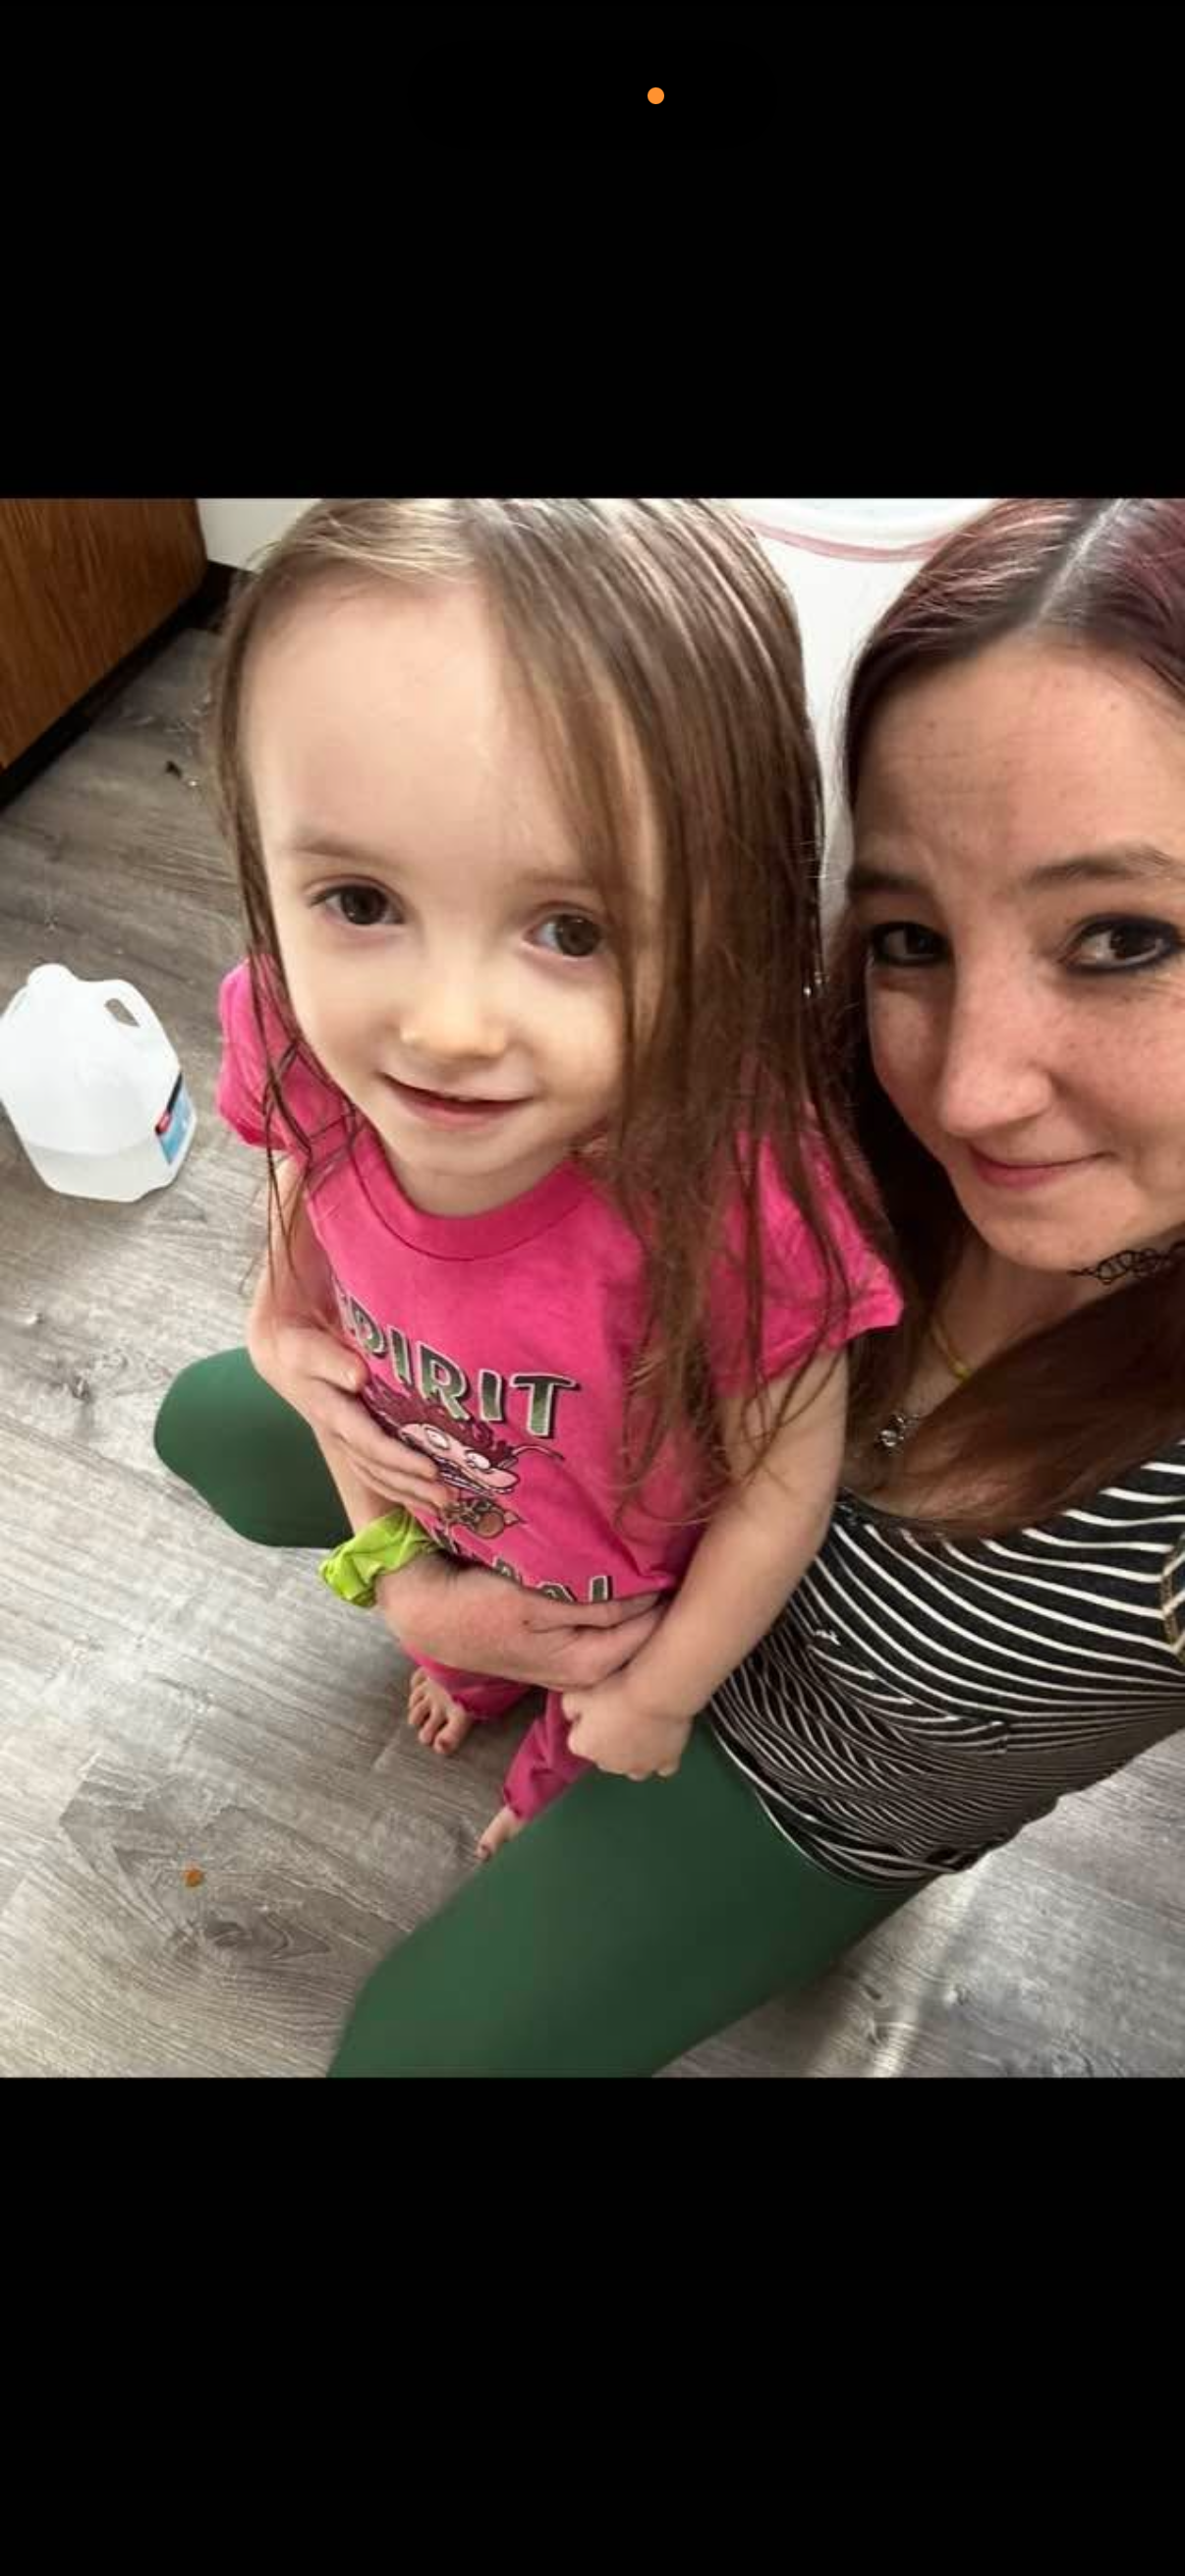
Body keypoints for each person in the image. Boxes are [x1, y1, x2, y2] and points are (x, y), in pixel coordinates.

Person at [157, 494, 1185, 2079]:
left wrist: (641, 1698)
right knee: (221, 1425)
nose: (968, 1088)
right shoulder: (747, 1059)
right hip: (543, 1474)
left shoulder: (747, 1180)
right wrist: (317, 1394)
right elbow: (306, 1114)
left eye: (1123, 937)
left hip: (809, 1752)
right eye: (905, 934)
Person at [155, 497, 900, 1876]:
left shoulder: (743, 1186)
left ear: (729, 914)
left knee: (585, 1708)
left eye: (571, 928)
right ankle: (483, 1673)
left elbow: (784, 1483)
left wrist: (660, 1693)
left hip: (620, 1596)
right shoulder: (289, 1023)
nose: (445, 1026)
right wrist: (281, 1321)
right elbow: (300, 1180)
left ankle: (549, 1757)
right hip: (441, 1492)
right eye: (361, 901)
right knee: (466, 1641)